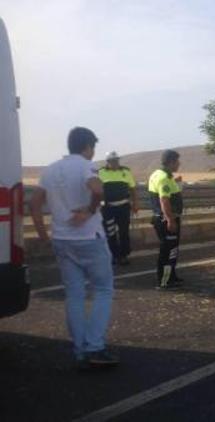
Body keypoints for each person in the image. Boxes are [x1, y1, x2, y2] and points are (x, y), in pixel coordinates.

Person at [29, 127, 119, 370]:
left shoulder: (50, 170)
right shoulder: (84, 166)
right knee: (103, 290)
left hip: (62, 240)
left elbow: (34, 203)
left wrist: (42, 235)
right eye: (93, 148)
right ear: (87, 146)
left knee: (74, 294)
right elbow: (98, 189)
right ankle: (95, 347)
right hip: (90, 238)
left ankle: (80, 350)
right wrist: (89, 211)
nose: (93, 152)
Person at [148, 149, 184, 290]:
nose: (179, 164)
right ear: (171, 162)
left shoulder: (160, 175)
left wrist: (175, 182)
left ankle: (172, 277)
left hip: (164, 218)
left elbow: (163, 191)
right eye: (177, 161)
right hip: (166, 220)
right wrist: (170, 220)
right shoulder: (163, 178)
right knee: (168, 252)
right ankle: (164, 282)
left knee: (171, 250)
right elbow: (164, 200)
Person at [99, 151, 139, 265]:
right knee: (110, 233)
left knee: (124, 232)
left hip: (123, 207)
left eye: (117, 160)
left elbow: (132, 189)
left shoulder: (126, 171)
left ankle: (124, 255)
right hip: (108, 208)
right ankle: (114, 256)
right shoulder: (100, 172)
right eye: (112, 161)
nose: (115, 163)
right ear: (108, 162)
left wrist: (135, 203)